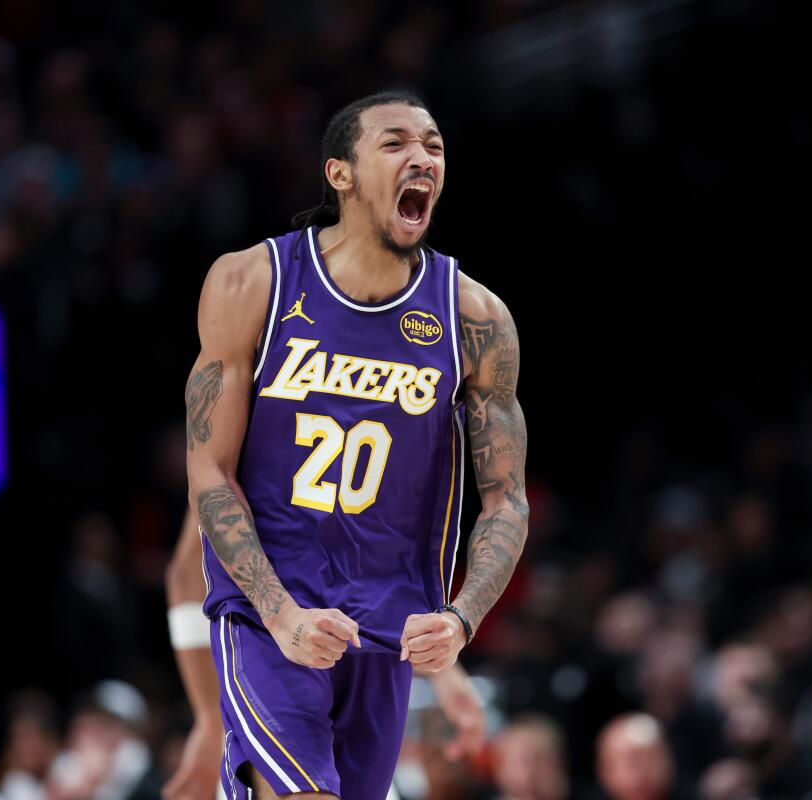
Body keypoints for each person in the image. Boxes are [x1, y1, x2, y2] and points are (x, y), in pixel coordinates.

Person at [184, 90, 528, 800]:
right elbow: (209, 470)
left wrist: (464, 618)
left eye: (433, 145)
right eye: (396, 142)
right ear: (339, 173)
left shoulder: (475, 318)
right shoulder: (253, 282)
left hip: (388, 625)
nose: (422, 158)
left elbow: (506, 498)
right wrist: (276, 612)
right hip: (270, 610)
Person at [163, 510, 488, 800]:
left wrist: (445, 670)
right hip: (274, 657)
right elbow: (189, 569)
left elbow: (385, 567)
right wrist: (208, 719)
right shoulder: (245, 451)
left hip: (362, 667)